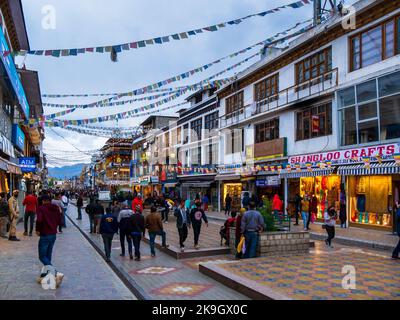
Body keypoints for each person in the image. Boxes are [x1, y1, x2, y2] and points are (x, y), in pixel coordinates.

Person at [36, 195, 63, 266]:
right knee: (48, 254)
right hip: (53, 234)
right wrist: (54, 226)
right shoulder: (56, 208)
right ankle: (48, 272)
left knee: (42, 256)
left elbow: (39, 220)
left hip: (45, 234)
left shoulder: (41, 208)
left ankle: (52, 270)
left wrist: (37, 230)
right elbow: (60, 221)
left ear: (43, 201)